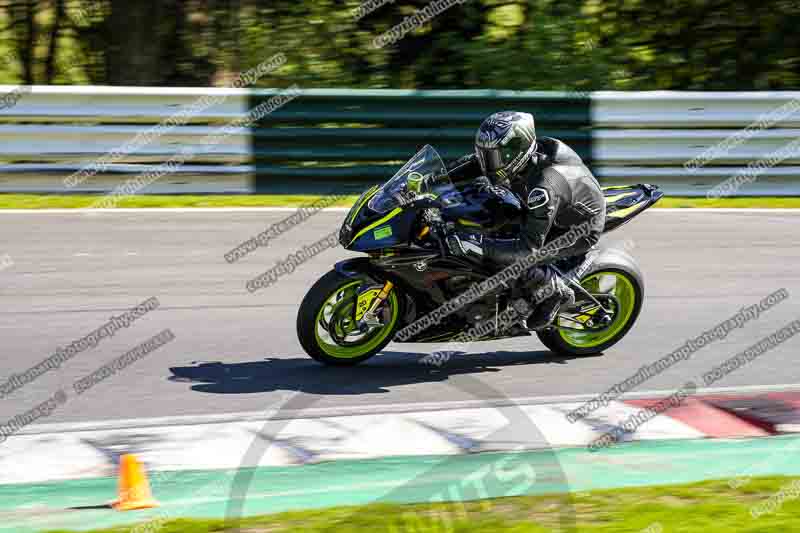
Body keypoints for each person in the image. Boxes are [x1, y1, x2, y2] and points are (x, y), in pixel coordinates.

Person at [444, 111, 606, 330]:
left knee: (511, 257)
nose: (488, 162)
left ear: (516, 152)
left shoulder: (544, 187)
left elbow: (527, 249)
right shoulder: (520, 158)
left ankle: (554, 291)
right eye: (486, 154)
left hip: (575, 228)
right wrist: (432, 181)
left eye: (494, 157)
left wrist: (477, 245)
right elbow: (476, 164)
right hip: (547, 209)